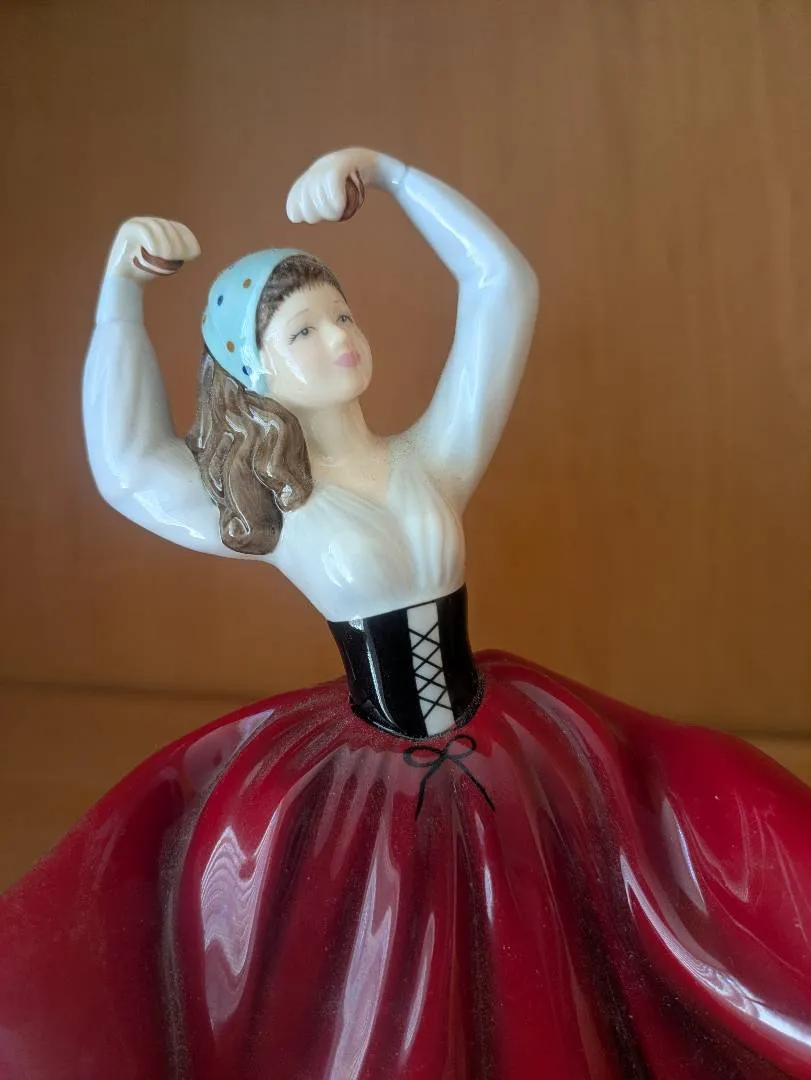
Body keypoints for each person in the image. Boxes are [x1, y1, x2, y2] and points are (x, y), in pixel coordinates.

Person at [1, 148, 809, 1080]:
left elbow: (501, 286)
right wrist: (120, 296)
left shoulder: (434, 460)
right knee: (390, 977)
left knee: (584, 925)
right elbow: (128, 466)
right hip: (371, 782)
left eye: (341, 314)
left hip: (511, 744)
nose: (338, 336)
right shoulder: (275, 512)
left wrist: (390, 175)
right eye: (302, 331)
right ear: (252, 369)